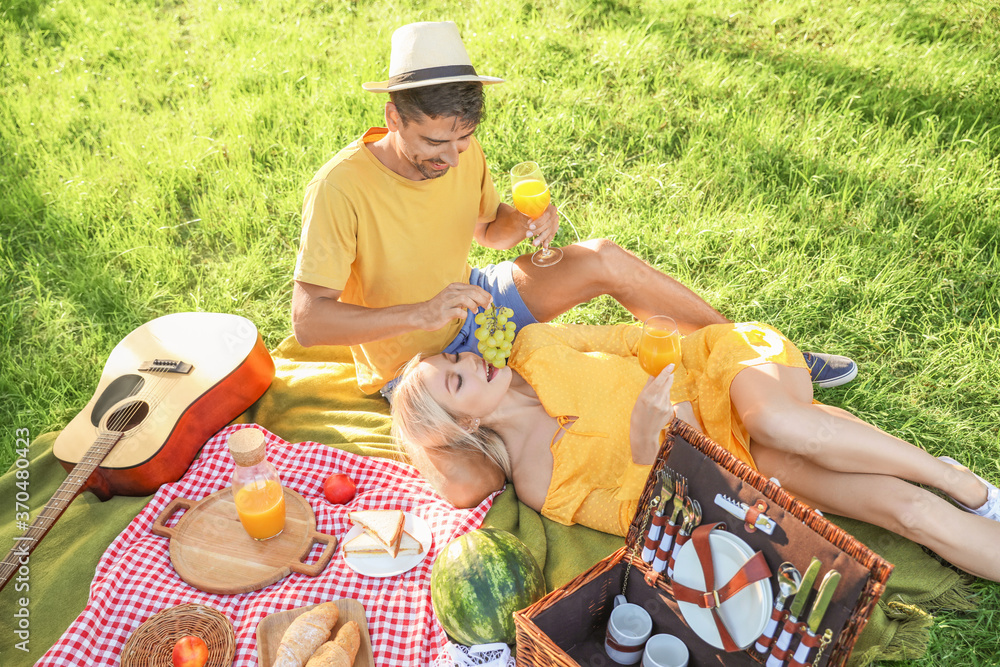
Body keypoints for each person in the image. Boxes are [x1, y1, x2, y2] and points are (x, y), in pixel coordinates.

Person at [291, 21, 857, 399]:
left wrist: (528, 222)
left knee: (602, 258)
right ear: (393, 118)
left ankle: (755, 354)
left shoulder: (462, 151)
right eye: (436, 142)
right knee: (574, 401)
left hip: (478, 304)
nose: (452, 156)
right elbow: (309, 321)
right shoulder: (340, 188)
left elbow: (490, 230)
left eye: (464, 139)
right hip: (417, 369)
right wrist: (422, 312)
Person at [390, 321, 1000, 582]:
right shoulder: (539, 483)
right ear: (461, 423)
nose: (469, 357)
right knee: (908, 514)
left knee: (786, 426)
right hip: (737, 459)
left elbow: (637, 338)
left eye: (455, 356)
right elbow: (647, 522)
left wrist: (669, 378)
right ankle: (940, 493)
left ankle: (963, 483)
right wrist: (643, 442)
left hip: (722, 370)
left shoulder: (535, 344)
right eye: (456, 377)